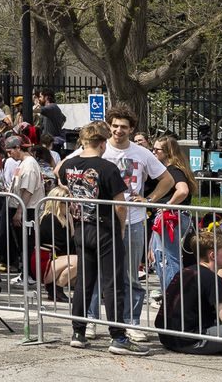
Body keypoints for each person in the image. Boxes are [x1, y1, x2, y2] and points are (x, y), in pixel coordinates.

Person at [58, 123, 150, 356]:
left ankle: (78, 332)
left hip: (81, 227)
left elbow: (58, 175)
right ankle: (118, 336)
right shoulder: (107, 167)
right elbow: (120, 204)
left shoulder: (69, 165)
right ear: (101, 143)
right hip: (105, 229)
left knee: (84, 282)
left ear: (82, 143)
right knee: (113, 283)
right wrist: (120, 229)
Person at [100, 106, 171, 328]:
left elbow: (167, 180)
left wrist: (149, 199)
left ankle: (132, 322)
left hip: (134, 220)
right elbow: (65, 168)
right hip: (103, 220)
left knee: (131, 276)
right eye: (114, 126)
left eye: (123, 127)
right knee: (98, 275)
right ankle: (91, 320)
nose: (118, 130)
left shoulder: (142, 153)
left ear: (131, 130)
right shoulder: (99, 149)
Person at [156, 226, 222, 354]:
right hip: (191, 341)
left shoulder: (184, 271)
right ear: (212, 255)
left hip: (166, 337)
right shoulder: (213, 280)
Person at [147, 134, 195, 297]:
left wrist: (168, 205)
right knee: (160, 255)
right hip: (173, 217)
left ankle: (174, 294)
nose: (153, 152)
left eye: (156, 150)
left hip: (172, 217)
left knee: (167, 257)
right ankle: (171, 293)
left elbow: (182, 190)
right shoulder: (173, 169)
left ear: (167, 152)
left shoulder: (173, 170)